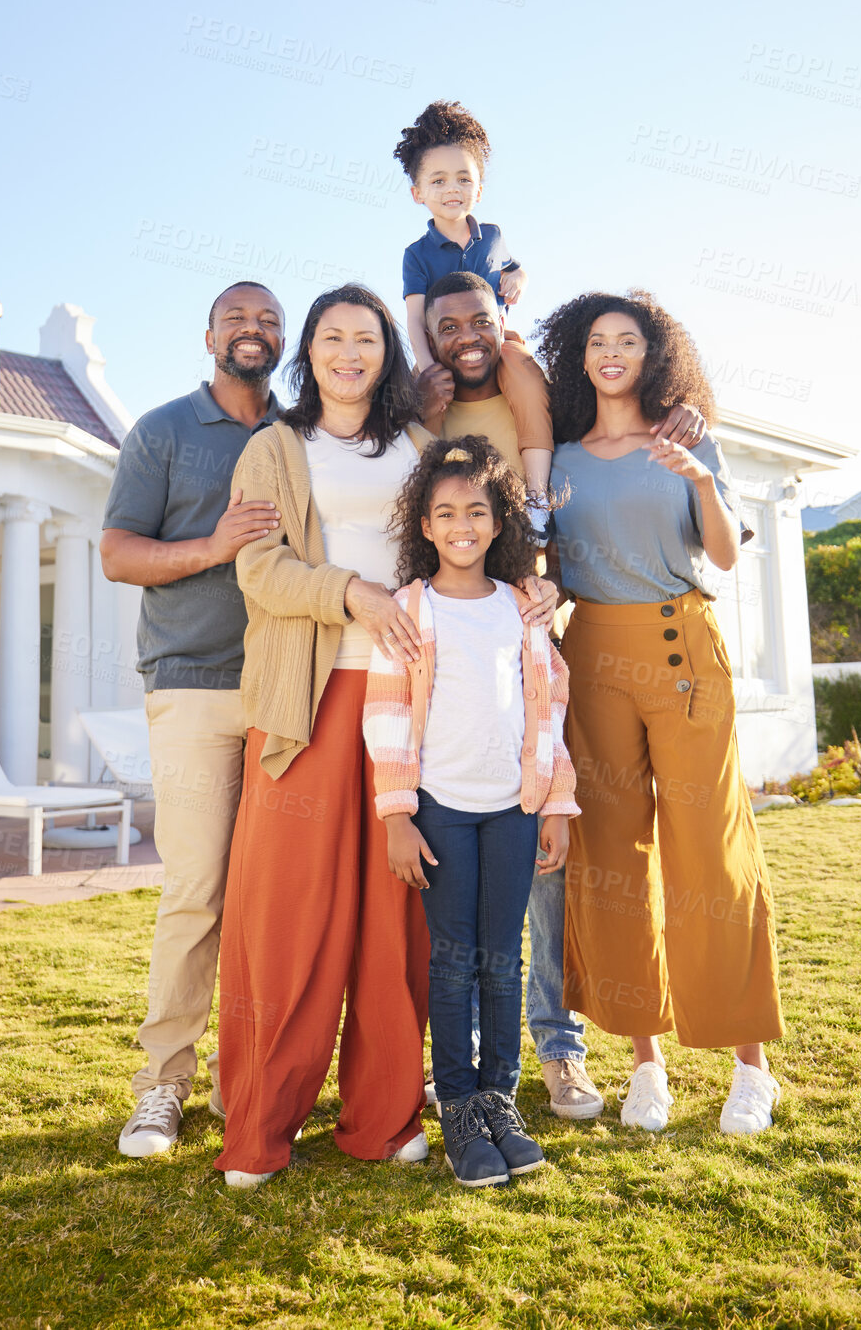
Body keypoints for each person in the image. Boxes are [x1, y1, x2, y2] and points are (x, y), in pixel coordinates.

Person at [213, 285, 559, 1187]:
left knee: (396, 923)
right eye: (331, 337)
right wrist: (352, 594)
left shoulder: (415, 444)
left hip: (420, 709)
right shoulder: (276, 447)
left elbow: (467, 536)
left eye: (365, 337)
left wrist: (531, 587)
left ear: (386, 353)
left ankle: (382, 1114)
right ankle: (259, 1127)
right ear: (309, 352)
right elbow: (259, 568)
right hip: (312, 699)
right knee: (290, 918)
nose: (349, 352)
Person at [414, 270, 708, 1122]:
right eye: (446, 324)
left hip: (530, 623)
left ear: (501, 319)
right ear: (425, 333)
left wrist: (689, 412)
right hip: (444, 628)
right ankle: (456, 1058)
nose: (464, 334)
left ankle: (557, 1048)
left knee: (543, 862)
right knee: (452, 873)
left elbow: (616, 446)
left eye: (479, 318)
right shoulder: (420, 400)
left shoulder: (537, 391)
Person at [538, 289, 785, 1137]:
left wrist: (702, 480)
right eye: (598, 341)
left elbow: (720, 553)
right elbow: (558, 568)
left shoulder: (685, 437)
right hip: (592, 654)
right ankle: (646, 1061)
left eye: (628, 341)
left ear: (653, 355)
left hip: (682, 645)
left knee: (709, 852)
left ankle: (750, 1064)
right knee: (609, 855)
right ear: (580, 355)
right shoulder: (560, 461)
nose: (612, 352)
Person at [363, 436, 579, 1185]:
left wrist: (557, 802)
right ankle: (456, 1103)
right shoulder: (408, 610)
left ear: (496, 522)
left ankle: (499, 1098)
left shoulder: (521, 609)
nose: (461, 524)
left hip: (512, 809)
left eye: (476, 511)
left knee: (503, 957)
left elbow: (548, 709)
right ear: (424, 524)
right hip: (442, 810)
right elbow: (385, 714)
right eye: (445, 512)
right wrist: (396, 814)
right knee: (454, 962)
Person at [101, 282, 284, 1158]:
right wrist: (211, 546)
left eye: (269, 320)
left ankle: (244, 1080)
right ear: (208, 333)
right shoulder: (163, 431)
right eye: (238, 318)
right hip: (193, 688)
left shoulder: (300, 434)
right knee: (196, 891)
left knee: (270, 898)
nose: (254, 330)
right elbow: (117, 552)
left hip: (292, 694)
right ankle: (162, 1084)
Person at [394, 100, 553, 508]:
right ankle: (425, 500)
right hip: (439, 347)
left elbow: (517, 268)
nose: (453, 189)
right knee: (413, 405)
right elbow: (415, 320)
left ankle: (536, 497)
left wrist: (519, 277)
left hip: (495, 342)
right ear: (418, 193)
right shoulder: (416, 254)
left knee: (527, 377)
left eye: (464, 179)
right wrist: (428, 366)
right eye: (439, 180)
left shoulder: (494, 236)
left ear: (479, 188)